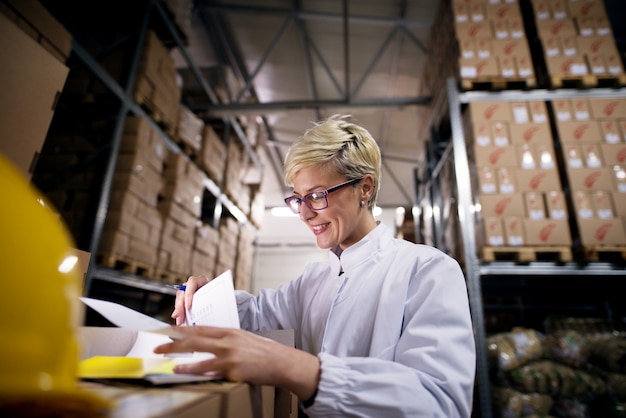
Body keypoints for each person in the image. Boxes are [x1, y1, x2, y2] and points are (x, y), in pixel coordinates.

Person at [155, 114, 476, 417]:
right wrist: (206, 296)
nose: (305, 214)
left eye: (317, 195)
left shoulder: (427, 270)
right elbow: (255, 316)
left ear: (365, 188)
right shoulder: (314, 279)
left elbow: (440, 403)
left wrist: (301, 370)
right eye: (297, 199)